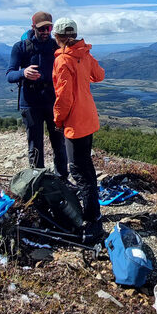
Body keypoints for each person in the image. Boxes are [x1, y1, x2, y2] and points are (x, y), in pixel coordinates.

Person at [52, 17, 105, 244]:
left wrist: (58, 119)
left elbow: (64, 97)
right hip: (89, 119)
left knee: (79, 170)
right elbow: (99, 75)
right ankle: (94, 209)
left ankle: (92, 218)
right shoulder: (83, 53)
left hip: (74, 123)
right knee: (86, 166)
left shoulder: (63, 60)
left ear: (58, 37)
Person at [6, 11, 68, 177]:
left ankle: (62, 179)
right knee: (35, 143)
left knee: (59, 142)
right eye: (42, 29)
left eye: (49, 28)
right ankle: (38, 178)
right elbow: (9, 75)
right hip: (31, 102)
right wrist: (23, 73)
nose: (46, 32)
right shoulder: (20, 47)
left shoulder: (57, 46)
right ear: (33, 27)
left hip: (53, 101)